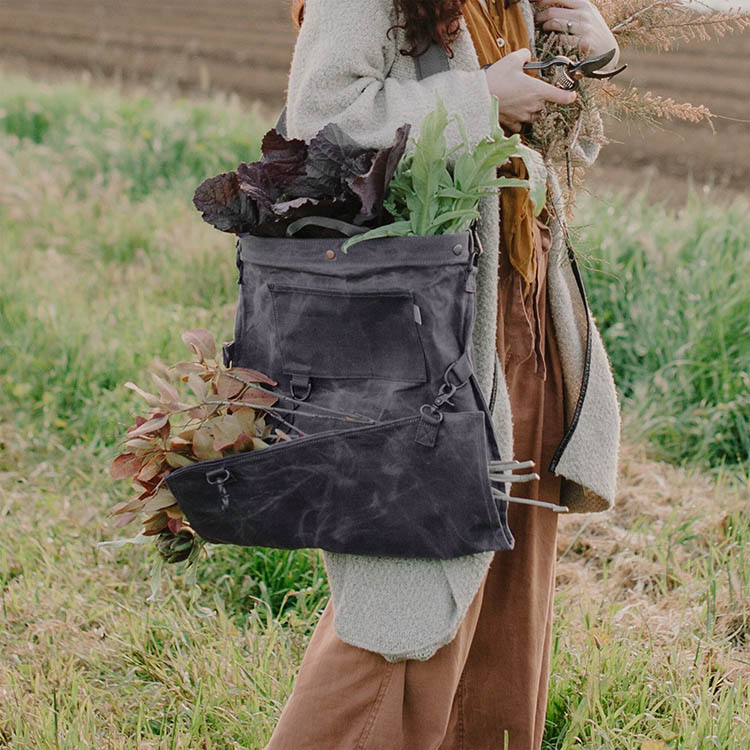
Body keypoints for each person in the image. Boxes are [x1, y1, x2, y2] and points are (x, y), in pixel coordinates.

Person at [265, 1, 622, 747]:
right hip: (425, 320)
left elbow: (553, 154)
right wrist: (481, 96)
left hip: (521, 311)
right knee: (405, 599)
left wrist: (589, 62)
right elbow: (318, 126)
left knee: (505, 614)